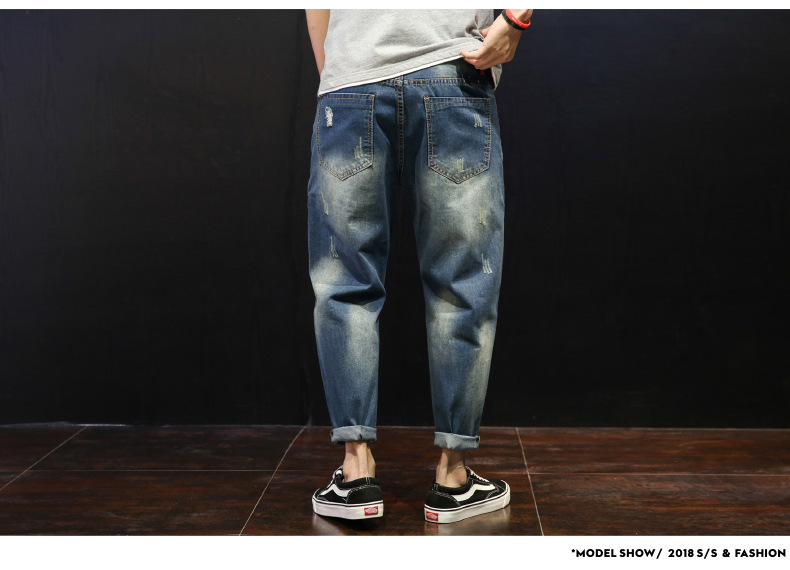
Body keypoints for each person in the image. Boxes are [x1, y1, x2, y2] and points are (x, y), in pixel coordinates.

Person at [305, 9, 532, 524]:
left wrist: (339, 72)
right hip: (451, 70)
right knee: (462, 285)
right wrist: (516, 18)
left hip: (352, 81)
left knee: (345, 283)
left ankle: (356, 473)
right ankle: (452, 478)